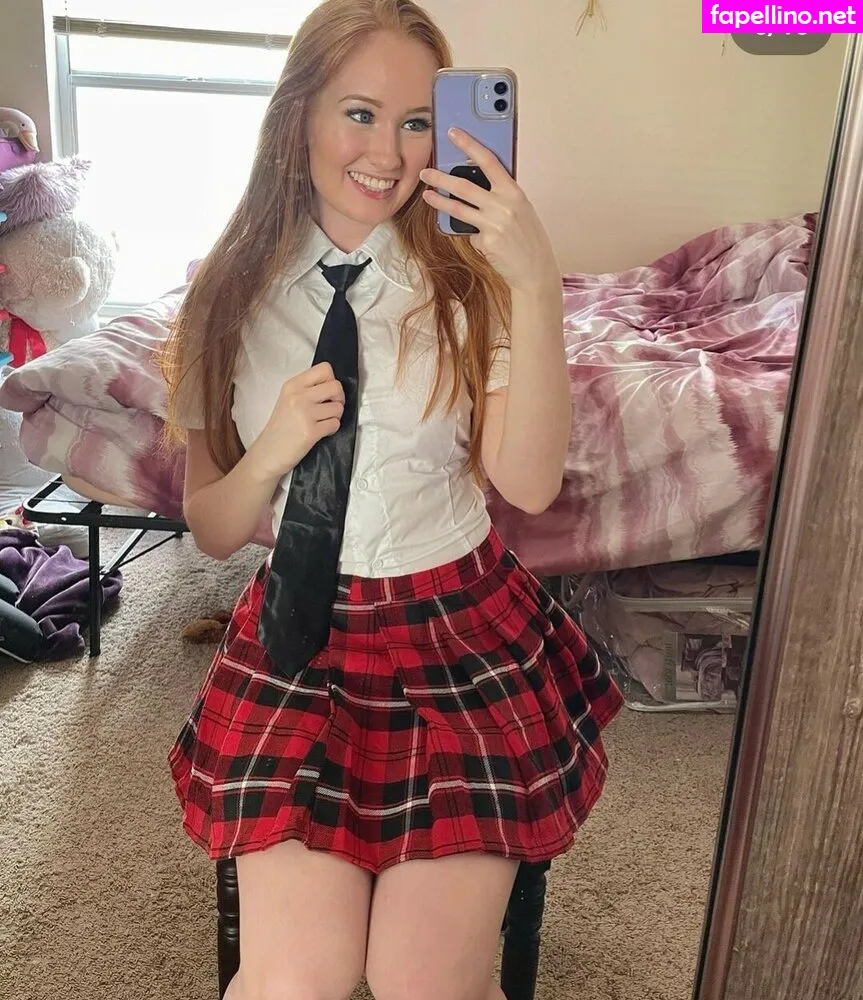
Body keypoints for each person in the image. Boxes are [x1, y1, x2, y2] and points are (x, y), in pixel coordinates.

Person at [161, 1, 623, 997]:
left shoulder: (469, 284)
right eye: (358, 113)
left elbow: (528, 483)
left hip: (455, 631)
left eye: (416, 121)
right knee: (296, 979)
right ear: (299, 115)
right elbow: (213, 525)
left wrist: (535, 286)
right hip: (300, 633)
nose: (387, 153)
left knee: (423, 982)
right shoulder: (225, 296)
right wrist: (272, 450)